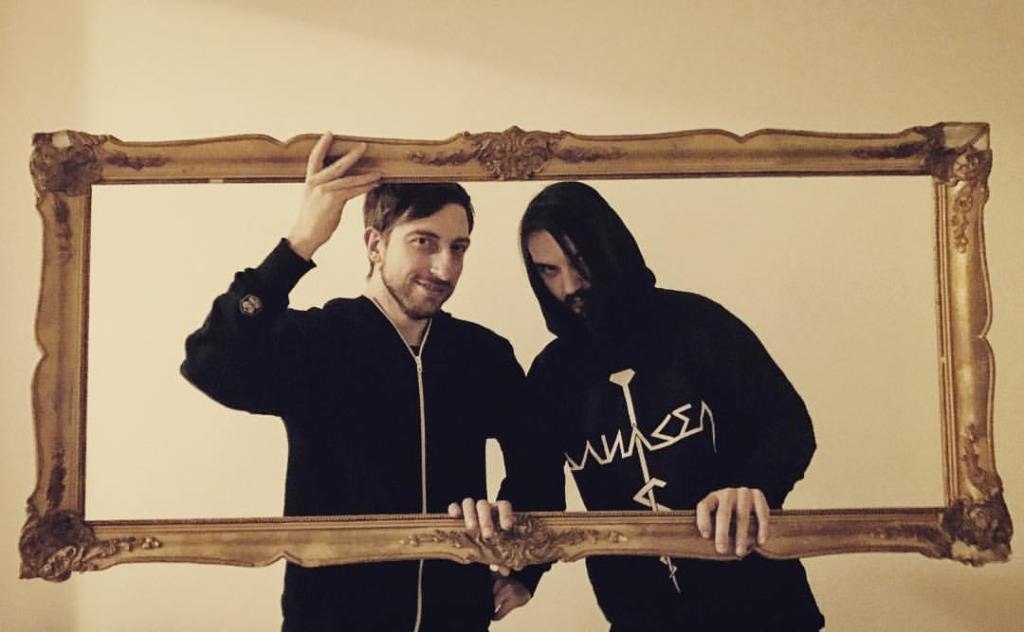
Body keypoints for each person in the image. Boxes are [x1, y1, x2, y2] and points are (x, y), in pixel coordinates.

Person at [180, 133, 557, 631]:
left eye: (458, 247)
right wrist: (299, 244)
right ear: (375, 244)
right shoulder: (315, 342)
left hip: (457, 620)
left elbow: (539, 463)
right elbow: (208, 362)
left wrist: (526, 568)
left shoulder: (483, 354)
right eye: (424, 242)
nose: (445, 267)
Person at [516, 181, 825, 631]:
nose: (570, 286)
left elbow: (787, 424)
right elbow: (537, 487)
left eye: (580, 263)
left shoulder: (698, 325)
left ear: (609, 250)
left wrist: (755, 485)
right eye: (548, 270)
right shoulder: (551, 376)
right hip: (640, 619)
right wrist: (523, 575)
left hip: (764, 608)